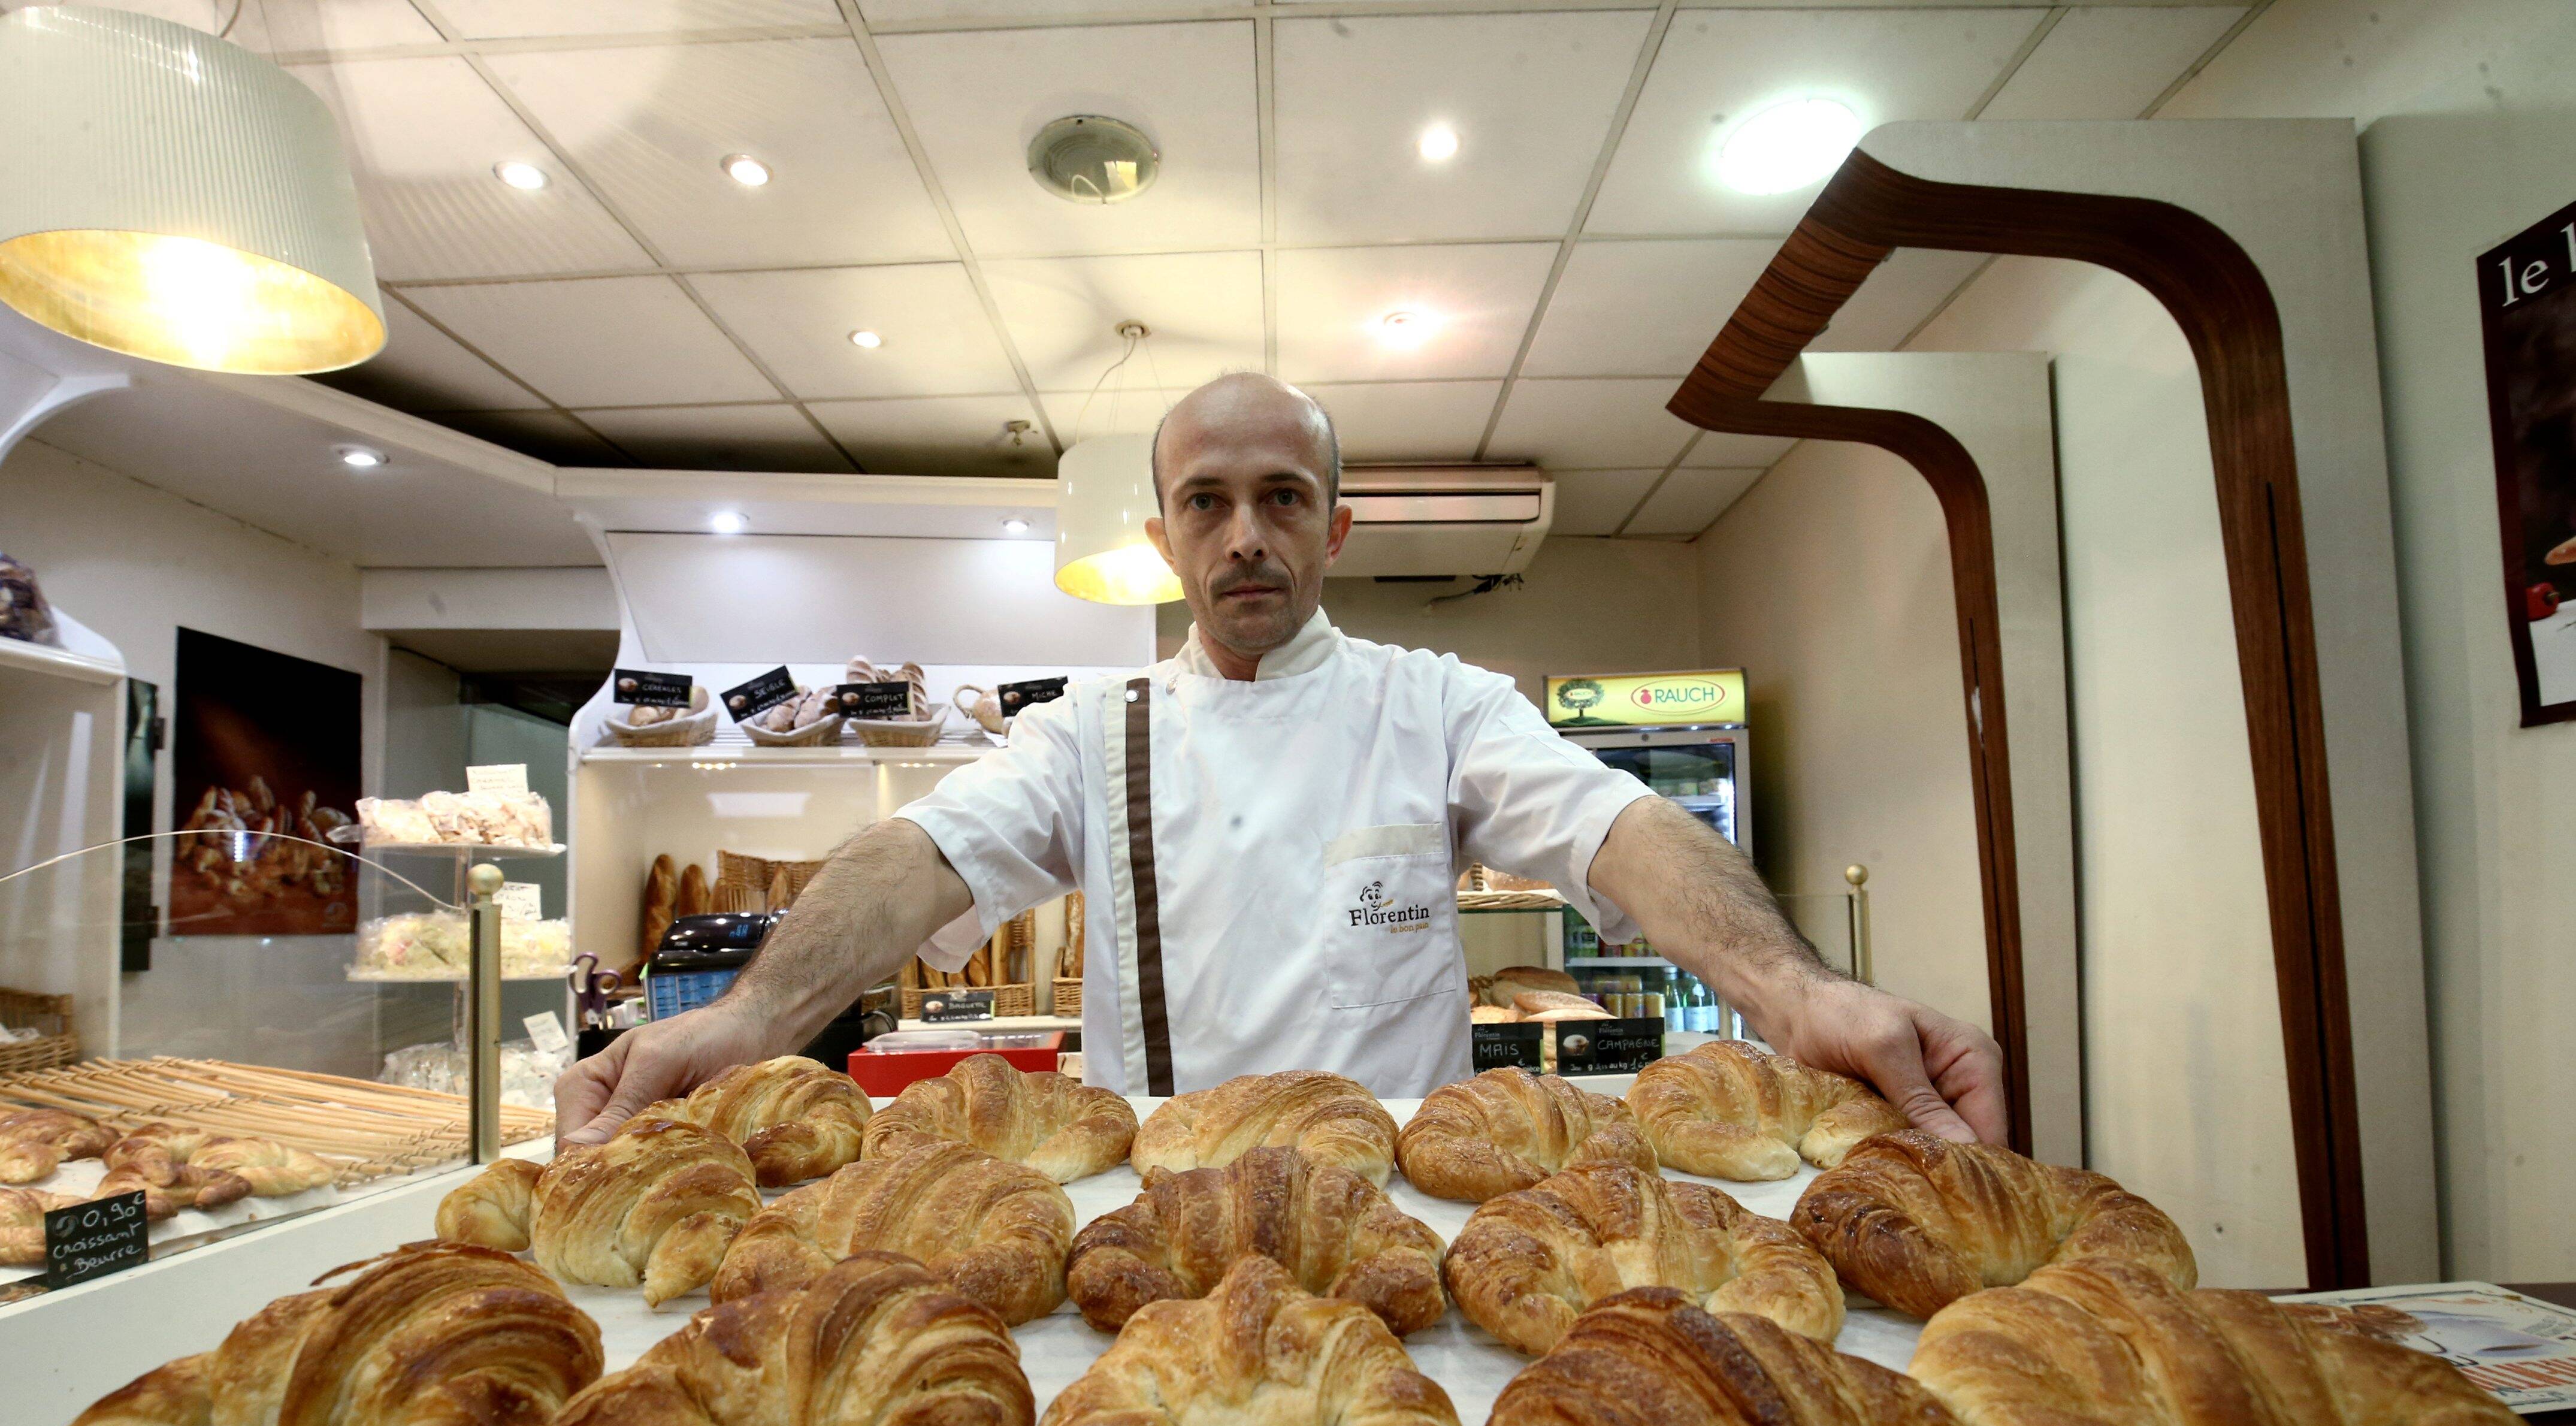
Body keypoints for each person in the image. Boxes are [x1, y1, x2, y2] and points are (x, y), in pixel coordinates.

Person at [557, 373, 2005, 1147]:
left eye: (1281, 497)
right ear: (1166, 537)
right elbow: (914, 859)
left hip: (1405, 1215)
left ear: (1333, 529)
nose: (1244, 533)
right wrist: (747, 1022)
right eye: (1207, 501)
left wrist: (1798, 993)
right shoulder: (1089, 732)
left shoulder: (1435, 704)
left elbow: (1620, 830)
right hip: (1167, 1219)